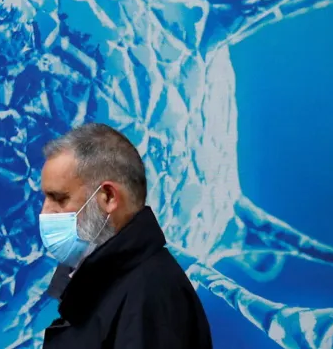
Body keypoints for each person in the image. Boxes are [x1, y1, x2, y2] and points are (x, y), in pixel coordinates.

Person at [37, 122, 212, 349]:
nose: (45, 212)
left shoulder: (150, 297)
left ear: (108, 197)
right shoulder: (101, 290)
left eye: (59, 198)